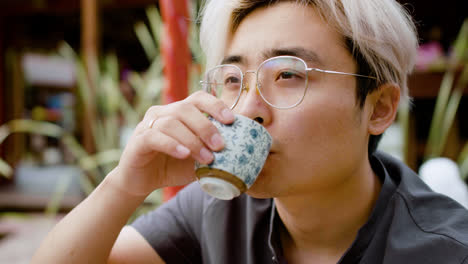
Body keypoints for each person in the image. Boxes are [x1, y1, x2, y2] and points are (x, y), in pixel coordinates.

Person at [32, 0, 468, 263]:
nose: (248, 110)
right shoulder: (217, 213)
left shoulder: (445, 251)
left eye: (288, 76)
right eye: (235, 80)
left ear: (379, 107)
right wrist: (125, 185)